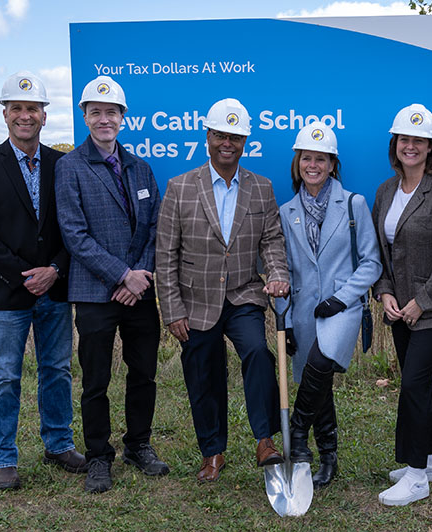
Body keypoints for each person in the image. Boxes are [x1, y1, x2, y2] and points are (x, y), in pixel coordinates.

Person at [0, 71, 86, 490]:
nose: (25, 115)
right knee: (3, 377)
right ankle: (2, 457)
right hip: (5, 291)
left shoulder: (62, 164)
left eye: (33, 108)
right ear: (5, 114)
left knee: (57, 370)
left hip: (55, 286)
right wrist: (23, 275)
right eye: (16, 108)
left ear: (44, 116)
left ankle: (59, 444)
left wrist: (55, 269)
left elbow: (74, 226)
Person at [155, 98, 288, 482]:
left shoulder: (261, 188)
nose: (227, 143)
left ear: (245, 141)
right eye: (220, 136)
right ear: (208, 137)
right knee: (204, 372)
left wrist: (277, 274)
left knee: (258, 353)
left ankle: (265, 440)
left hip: (243, 293)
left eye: (235, 137)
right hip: (195, 300)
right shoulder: (180, 187)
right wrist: (172, 310)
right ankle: (212, 452)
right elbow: (166, 254)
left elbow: (272, 241)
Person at [55, 75, 168, 494]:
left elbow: (155, 227)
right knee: (96, 380)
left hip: (140, 292)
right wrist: (123, 275)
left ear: (123, 117)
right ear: (85, 117)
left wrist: (139, 276)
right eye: (96, 112)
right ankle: (99, 456)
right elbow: (75, 234)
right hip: (95, 293)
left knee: (143, 373)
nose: (105, 119)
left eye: (112, 112)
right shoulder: (70, 167)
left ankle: (138, 445)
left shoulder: (141, 167)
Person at [371, 103, 432, 506]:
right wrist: (385, 292)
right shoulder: (386, 191)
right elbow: (379, 252)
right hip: (399, 308)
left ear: (431, 147)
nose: (410, 146)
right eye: (404, 139)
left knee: (412, 383)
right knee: (420, 385)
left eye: (419, 140)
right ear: (395, 144)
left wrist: (421, 302)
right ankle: (429, 461)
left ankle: (415, 477)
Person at [280, 122, 381, 488]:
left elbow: (371, 262)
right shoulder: (286, 211)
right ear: (298, 162)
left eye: (321, 159)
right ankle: (328, 455)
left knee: (321, 365)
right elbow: (285, 270)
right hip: (304, 310)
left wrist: (342, 297)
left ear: (332, 164)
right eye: (307, 158)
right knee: (316, 379)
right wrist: (286, 320)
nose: (313, 165)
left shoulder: (353, 204)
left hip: (342, 307)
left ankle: (297, 433)